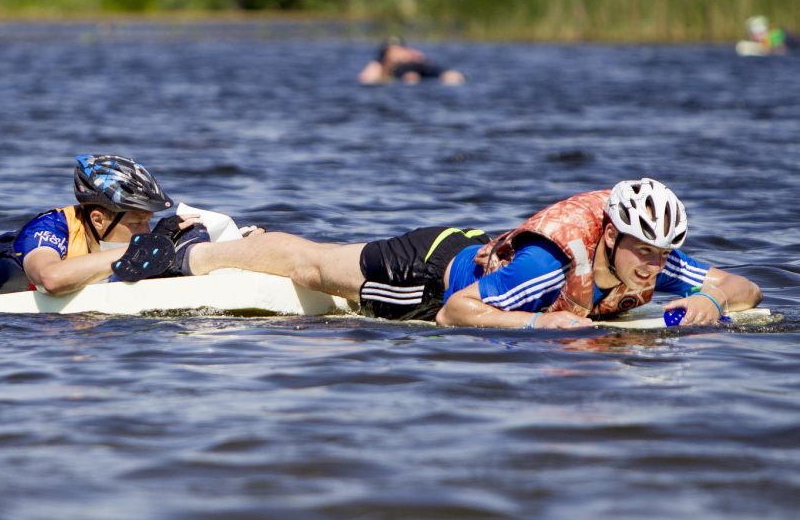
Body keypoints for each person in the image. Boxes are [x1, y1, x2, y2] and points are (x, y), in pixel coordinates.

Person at [114, 178, 762, 329]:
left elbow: (742, 284)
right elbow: (457, 313)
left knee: (313, 278)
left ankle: (232, 238)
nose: (653, 265)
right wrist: (542, 322)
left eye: (663, 252)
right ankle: (194, 247)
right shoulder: (550, 265)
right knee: (310, 265)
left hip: (474, 251)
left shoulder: (649, 259)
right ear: (611, 237)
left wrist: (707, 298)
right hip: (424, 276)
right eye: (642, 250)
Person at [0, 154, 185, 299]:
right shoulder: (47, 229)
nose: (146, 231)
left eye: (149, 221)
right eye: (136, 222)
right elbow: (51, 279)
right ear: (98, 219)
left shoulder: (106, 235)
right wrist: (139, 250)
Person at [358, 36, 465, 85]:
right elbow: (366, 78)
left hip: (422, 73)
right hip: (405, 76)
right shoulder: (380, 64)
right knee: (410, 78)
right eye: (391, 51)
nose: (396, 53)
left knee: (450, 76)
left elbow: (429, 67)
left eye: (398, 49)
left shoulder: (415, 59)